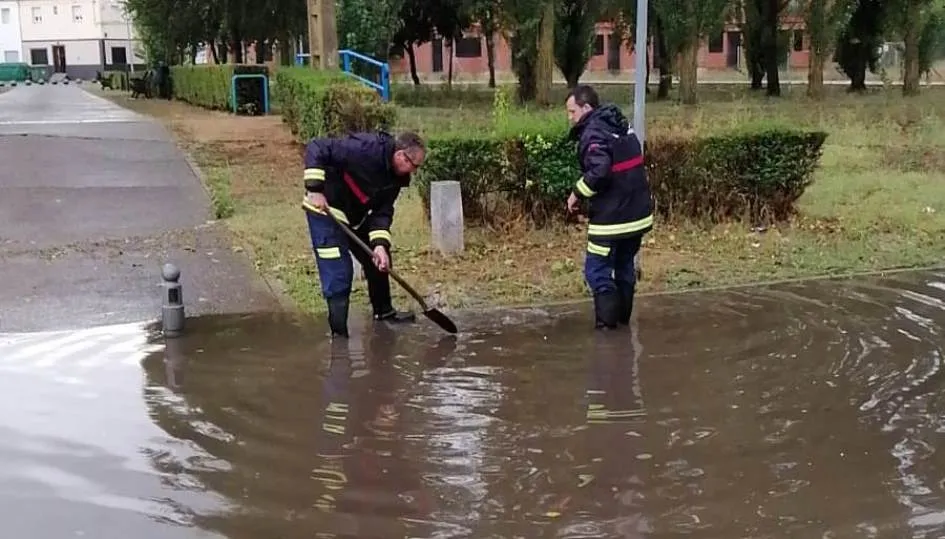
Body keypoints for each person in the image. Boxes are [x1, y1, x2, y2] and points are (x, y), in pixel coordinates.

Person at [302, 130, 426, 339]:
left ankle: (384, 312)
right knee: (338, 269)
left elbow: (382, 212)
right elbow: (317, 146)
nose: (413, 172)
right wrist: (315, 189)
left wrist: (379, 245)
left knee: (378, 259)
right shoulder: (365, 149)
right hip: (326, 208)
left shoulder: (396, 178)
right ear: (400, 155)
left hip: (355, 214)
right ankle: (339, 334)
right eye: (413, 165)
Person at [565, 84, 654, 330]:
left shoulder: (593, 132)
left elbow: (600, 171)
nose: (569, 118)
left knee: (597, 270)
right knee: (625, 264)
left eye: (572, 111)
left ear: (586, 108)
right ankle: (623, 322)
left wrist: (576, 193)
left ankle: (607, 327)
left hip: (611, 219)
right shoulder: (619, 124)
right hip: (637, 215)